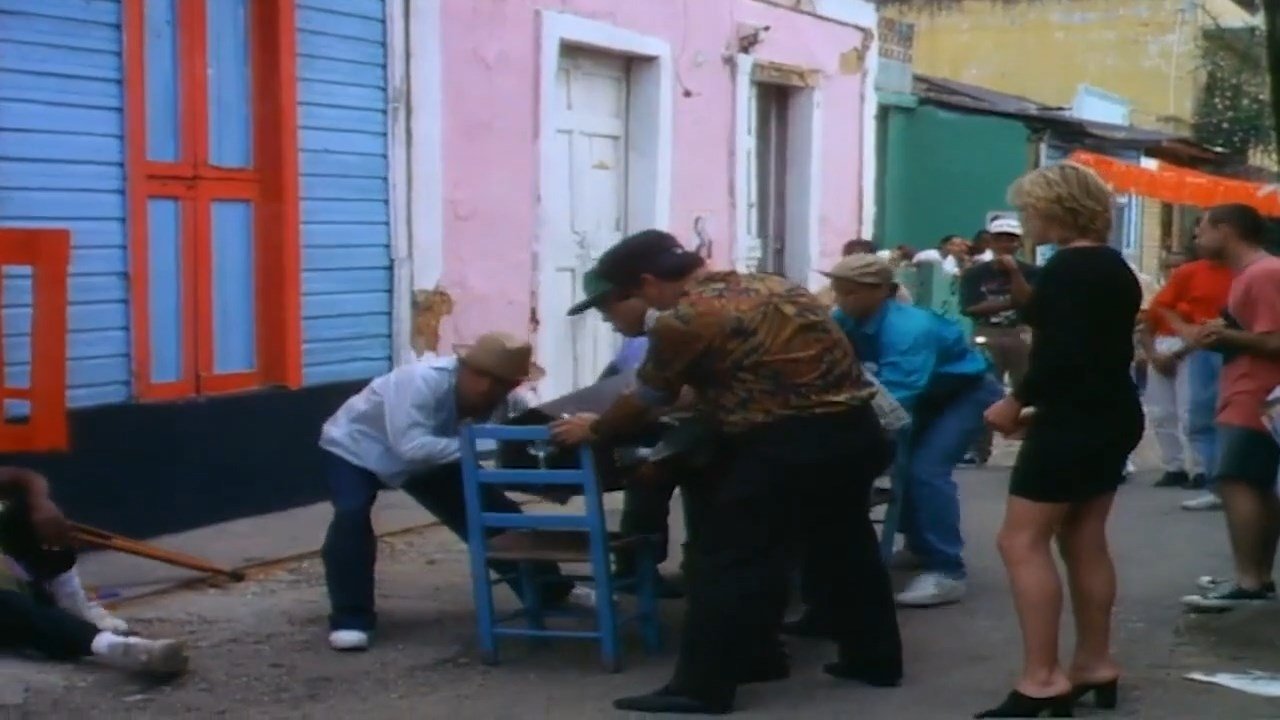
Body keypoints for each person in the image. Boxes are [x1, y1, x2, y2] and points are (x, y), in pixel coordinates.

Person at [550, 230, 901, 715]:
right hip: (856, 433)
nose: (625, 314)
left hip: (786, 442)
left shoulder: (686, 318)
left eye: (622, 300)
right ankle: (872, 659)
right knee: (845, 546)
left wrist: (595, 429)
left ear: (647, 283)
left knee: (725, 560)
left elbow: (650, 398)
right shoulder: (775, 285)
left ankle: (702, 687)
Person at [977, 164, 1143, 718]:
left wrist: (1016, 401)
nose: (1026, 220)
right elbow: (1090, 345)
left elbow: (1062, 352)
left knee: (1020, 541)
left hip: (1073, 419)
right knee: (1084, 536)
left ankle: (1042, 678)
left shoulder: (1070, 268)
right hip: (1110, 411)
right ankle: (1094, 663)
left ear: (1055, 208)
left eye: (1030, 209)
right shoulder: (1111, 266)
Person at [319, 332, 591, 651]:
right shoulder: (420, 381)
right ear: (466, 368)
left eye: (504, 383)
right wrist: (487, 446)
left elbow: (524, 432)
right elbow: (410, 447)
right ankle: (351, 619)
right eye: (483, 377)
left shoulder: (508, 400)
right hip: (357, 448)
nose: (489, 389)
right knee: (351, 516)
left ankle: (550, 591)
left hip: (432, 455)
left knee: (497, 514)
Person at [818, 253, 1002, 609]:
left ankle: (947, 571)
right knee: (903, 468)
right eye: (838, 291)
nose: (841, 299)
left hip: (965, 394)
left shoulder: (909, 329)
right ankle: (920, 545)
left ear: (881, 291)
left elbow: (896, 398)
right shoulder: (846, 319)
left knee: (925, 471)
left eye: (851, 292)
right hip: (929, 393)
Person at [1179, 205, 1280, 611]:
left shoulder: (1263, 274)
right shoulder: (1252, 274)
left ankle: (1248, 580)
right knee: (1253, 484)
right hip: (1249, 391)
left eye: (1201, 229)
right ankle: (1256, 576)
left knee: (1238, 480)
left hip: (1257, 394)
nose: (1196, 238)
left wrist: (1224, 337)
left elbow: (1273, 340)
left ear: (1226, 229)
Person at [0, 467, 188, 675]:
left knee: (24, 514)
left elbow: (25, 477)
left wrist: (41, 504)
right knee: (13, 608)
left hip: (23, 588)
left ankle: (73, 610)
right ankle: (121, 648)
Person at [567, 269, 684, 598]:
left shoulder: (667, 334)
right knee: (647, 477)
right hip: (664, 421)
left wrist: (597, 426)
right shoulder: (638, 342)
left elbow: (647, 398)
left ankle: (643, 566)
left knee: (655, 473)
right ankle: (637, 566)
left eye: (608, 309)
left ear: (633, 296)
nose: (607, 320)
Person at [1144, 241, 1233, 509]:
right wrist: (1155, 353)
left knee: (1193, 411)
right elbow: (1153, 318)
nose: (1173, 271)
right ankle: (1177, 465)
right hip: (1177, 346)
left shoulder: (1242, 272)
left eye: (1177, 266)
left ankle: (1202, 469)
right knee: (1166, 412)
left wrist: (1183, 348)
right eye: (1169, 267)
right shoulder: (1186, 279)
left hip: (1200, 349)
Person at [961, 217, 1039, 465]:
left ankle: (1034, 445)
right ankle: (978, 448)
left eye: (1011, 240)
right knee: (983, 389)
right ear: (991, 242)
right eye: (1000, 239)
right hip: (988, 331)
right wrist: (1010, 303)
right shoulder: (976, 273)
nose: (1006, 244)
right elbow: (970, 307)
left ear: (1019, 243)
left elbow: (1031, 302)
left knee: (1029, 389)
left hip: (1020, 331)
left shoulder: (1032, 272)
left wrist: (1014, 272)